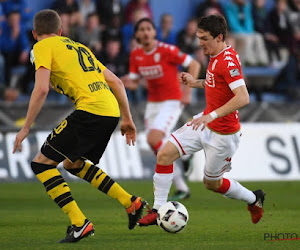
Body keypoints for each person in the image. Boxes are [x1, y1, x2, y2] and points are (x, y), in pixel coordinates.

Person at [12, 9, 146, 243]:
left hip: (90, 110)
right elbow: (116, 81)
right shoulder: (79, 47)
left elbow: (41, 89)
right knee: (72, 164)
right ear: (61, 31)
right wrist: (127, 118)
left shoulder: (41, 47)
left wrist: (25, 128)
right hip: (110, 110)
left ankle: (79, 223)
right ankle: (131, 202)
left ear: (35, 34)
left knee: (41, 164)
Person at [138, 14, 265, 226]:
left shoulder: (227, 61)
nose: (200, 43)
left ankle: (254, 198)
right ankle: (158, 209)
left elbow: (243, 97)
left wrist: (212, 115)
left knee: (211, 184)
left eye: (204, 38)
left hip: (223, 134)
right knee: (164, 154)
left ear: (219, 37)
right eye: (199, 37)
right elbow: (216, 83)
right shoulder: (216, 54)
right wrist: (194, 82)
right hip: (204, 123)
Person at [122, 18, 200, 201]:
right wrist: (119, 81)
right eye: (141, 29)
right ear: (137, 35)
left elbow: (194, 64)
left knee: (153, 138)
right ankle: (182, 186)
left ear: (154, 32)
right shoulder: (136, 55)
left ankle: (185, 154)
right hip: (153, 103)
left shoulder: (167, 50)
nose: (145, 32)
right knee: (156, 145)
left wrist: (188, 90)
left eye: (149, 28)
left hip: (172, 100)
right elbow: (134, 83)